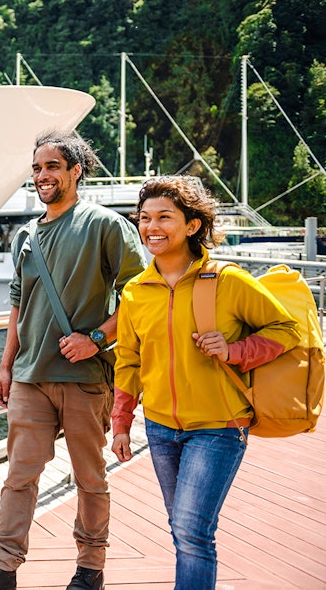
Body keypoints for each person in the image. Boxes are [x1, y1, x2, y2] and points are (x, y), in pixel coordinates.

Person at [0, 130, 146, 590]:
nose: (42, 176)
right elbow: (18, 303)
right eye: (37, 168)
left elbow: (140, 295)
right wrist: (5, 367)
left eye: (52, 166)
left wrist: (97, 339)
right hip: (30, 379)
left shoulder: (104, 225)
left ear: (75, 171)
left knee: (89, 479)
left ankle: (90, 571)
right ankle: (1, 572)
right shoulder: (25, 235)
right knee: (19, 477)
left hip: (84, 377)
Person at [110, 176, 297, 589]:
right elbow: (128, 361)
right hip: (159, 428)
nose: (151, 227)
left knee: (193, 531)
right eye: (144, 218)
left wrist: (234, 351)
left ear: (192, 226)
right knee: (182, 529)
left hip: (219, 426)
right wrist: (122, 423)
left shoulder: (227, 280)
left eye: (164, 217)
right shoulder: (136, 292)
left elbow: (288, 330)